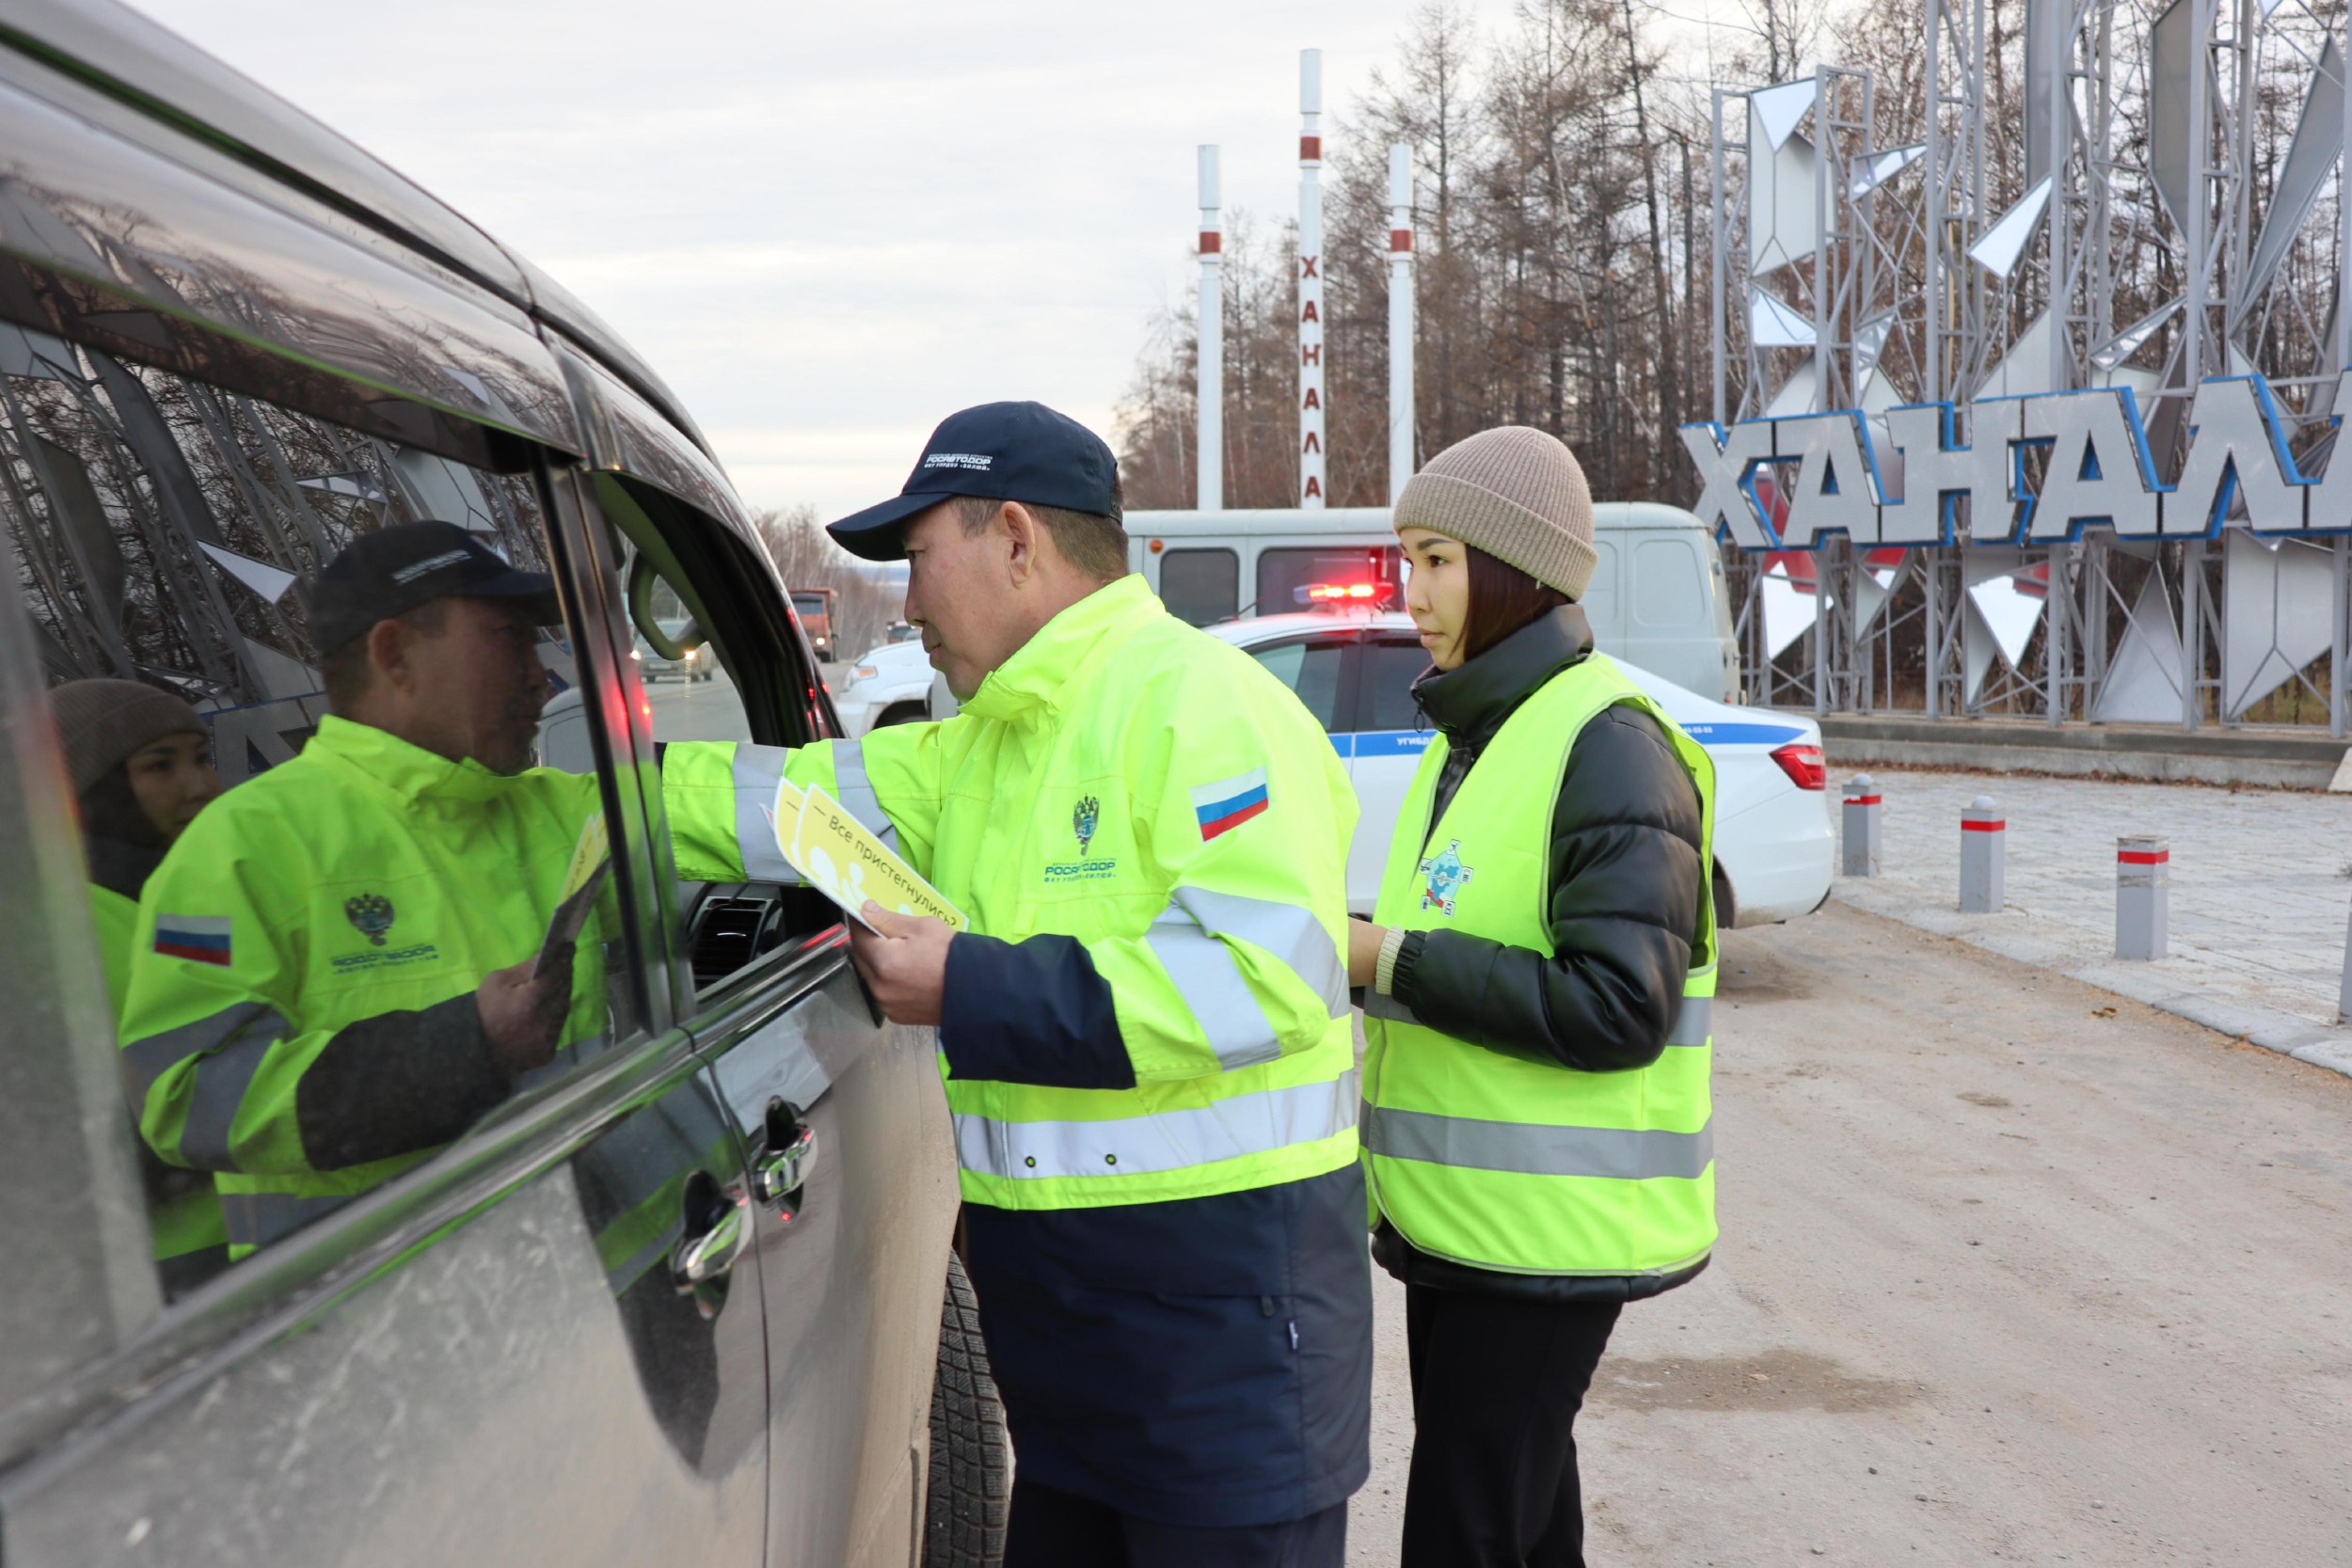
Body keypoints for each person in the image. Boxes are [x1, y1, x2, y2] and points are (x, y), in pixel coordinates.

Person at [660, 402, 1372, 1566]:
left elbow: (1264, 980)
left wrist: (972, 986)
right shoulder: (981, 745)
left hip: (1227, 1353)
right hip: (1067, 1360)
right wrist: (567, 800)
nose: (908, 602)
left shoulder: (1206, 707)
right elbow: (773, 804)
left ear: (1015, 538)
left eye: (919, 558)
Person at [1343, 427, 1719, 1568]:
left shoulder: (1606, 743)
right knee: (1519, 1513)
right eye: (1405, 560)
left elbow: (1620, 1005)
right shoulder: (1474, 732)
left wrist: (1383, 960)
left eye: (1438, 561)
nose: (1411, 593)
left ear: (1518, 571)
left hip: (1545, 1237)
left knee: (1469, 1524)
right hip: (1467, 1227)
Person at [119, 523, 618, 1257]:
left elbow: (755, 804)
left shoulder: (566, 807)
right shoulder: (240, 848)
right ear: (394, 655)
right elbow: (186, 1098)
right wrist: (463, 1044)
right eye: (508, 638)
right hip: (380, 1333)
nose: (539, 675)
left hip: (600, 1291)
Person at [50, 677, 230, 1291]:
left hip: (274, 1231)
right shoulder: (61, 928)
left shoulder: (190, 897)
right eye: (161, 765)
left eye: (203, 757)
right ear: (92, 789)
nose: (200, 785)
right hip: (171, 1272)